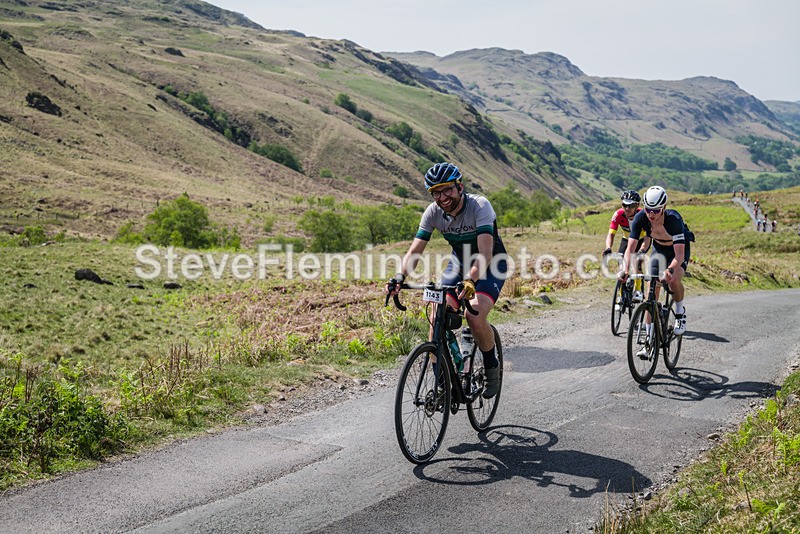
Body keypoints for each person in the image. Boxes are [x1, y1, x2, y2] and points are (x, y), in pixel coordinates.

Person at [386, 162, 507, 398]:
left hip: (491, 264)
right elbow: (414, 251)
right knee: (436, 319)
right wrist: (399, 277)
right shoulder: (432, 212)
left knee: (474, 315)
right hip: (459, 264)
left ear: (459, 186)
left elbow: (485, 253)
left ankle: (492, 367)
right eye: (436, 192)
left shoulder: (479, 206)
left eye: (447, 190)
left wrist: (470, 280)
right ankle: (442, 384)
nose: (442, 197)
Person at [618, 186, 692, 345]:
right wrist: (625, 269)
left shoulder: (674, 219)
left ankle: (680, 313)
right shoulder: (640, 218)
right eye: (648, 210)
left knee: (673, 280)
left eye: (656, 211)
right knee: (651, 290)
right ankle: (649, 338)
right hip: (659, 248)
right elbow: (630, 248)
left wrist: (670, 270)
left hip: (678, 249)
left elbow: (679, 256)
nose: (651, 214)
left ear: (664, 207)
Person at [602, 190, 651, 302]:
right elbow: (611, 234)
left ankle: (638, 290)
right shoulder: (618, 214)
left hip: (641, 240)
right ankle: (621, 295)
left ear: (637, 205)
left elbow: (648, 237)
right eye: (624, 205)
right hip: (626, 239)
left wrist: (642, 250)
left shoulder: (643, 216)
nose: (627, 208)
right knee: (621, 264)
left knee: (636, 262)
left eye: (631, 205)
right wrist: (608, 247)